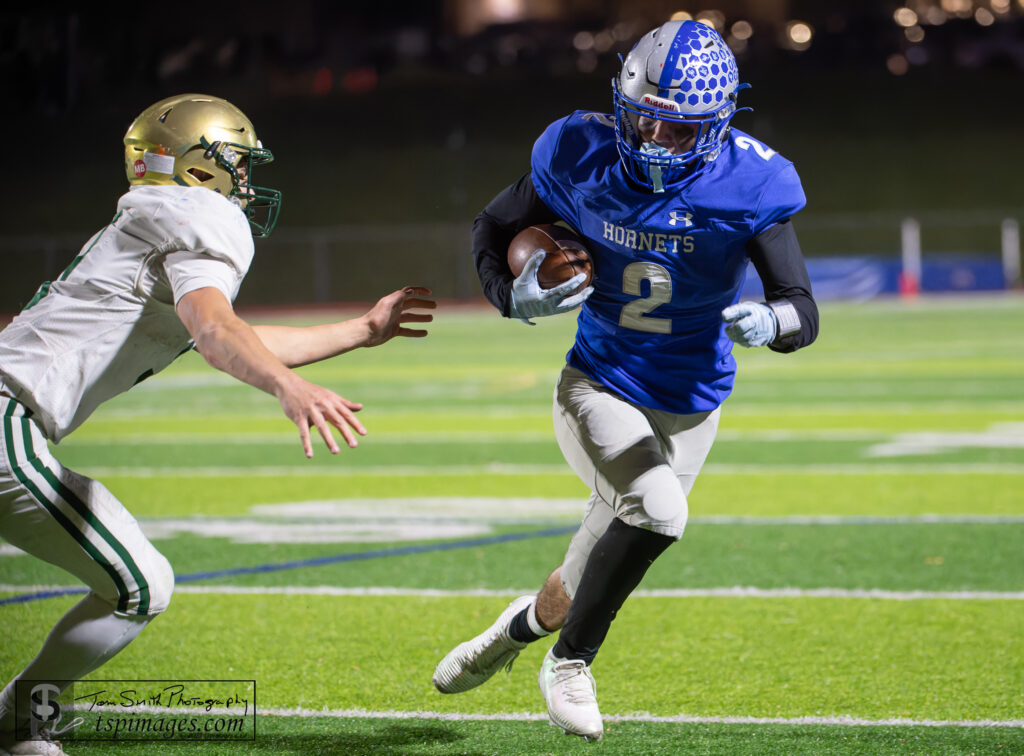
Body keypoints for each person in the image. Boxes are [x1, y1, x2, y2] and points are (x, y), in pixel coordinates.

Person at [0, 93, 434, 755]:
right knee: (138, 586)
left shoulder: (149, 216)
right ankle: (18, 720)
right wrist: (288, 388)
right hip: (6, 418)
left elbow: (236, 335)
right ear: (198, 166)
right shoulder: (199, 212)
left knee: (137, 583)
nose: (246, 178)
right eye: (236, 161)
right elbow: (216, 331)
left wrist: (363, 330)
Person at [432, 20, 818, 742]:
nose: (652, 138)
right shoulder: (579, 150)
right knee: (660, 514)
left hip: (694, 404)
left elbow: (802, 305)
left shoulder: (751, 179)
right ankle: (570, 664)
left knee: (580, 580)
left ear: (718, 122)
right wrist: (509, 295)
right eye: (642, 115)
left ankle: (513, 635)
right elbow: (495, 225)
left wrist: (775, 323)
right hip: (599, 383)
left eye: (677, 128)